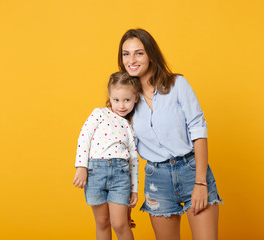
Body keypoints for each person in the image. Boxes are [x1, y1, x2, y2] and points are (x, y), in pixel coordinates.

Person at [118, 28, 223, 240]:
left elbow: (198, 130)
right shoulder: (125, 99)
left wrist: (200, 182)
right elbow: (124, 151)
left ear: (151, 55)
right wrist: (124, 200)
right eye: (126, 54)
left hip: (192, 170)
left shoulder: (177, 85)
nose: (132, 60)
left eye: (139, 53)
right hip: (157, 180)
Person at [73, 71, 141, 240]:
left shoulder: (130, 125)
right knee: (102, 222)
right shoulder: (99, 114)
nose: (122, 105)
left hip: (121, 176)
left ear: (136, 98)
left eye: (127, 100)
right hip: (95, 173)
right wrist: (81, 167)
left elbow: (133, 160)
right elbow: (84, 137)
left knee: (120, 223)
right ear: (110, 97)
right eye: (116, 100)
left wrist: (134, 189)